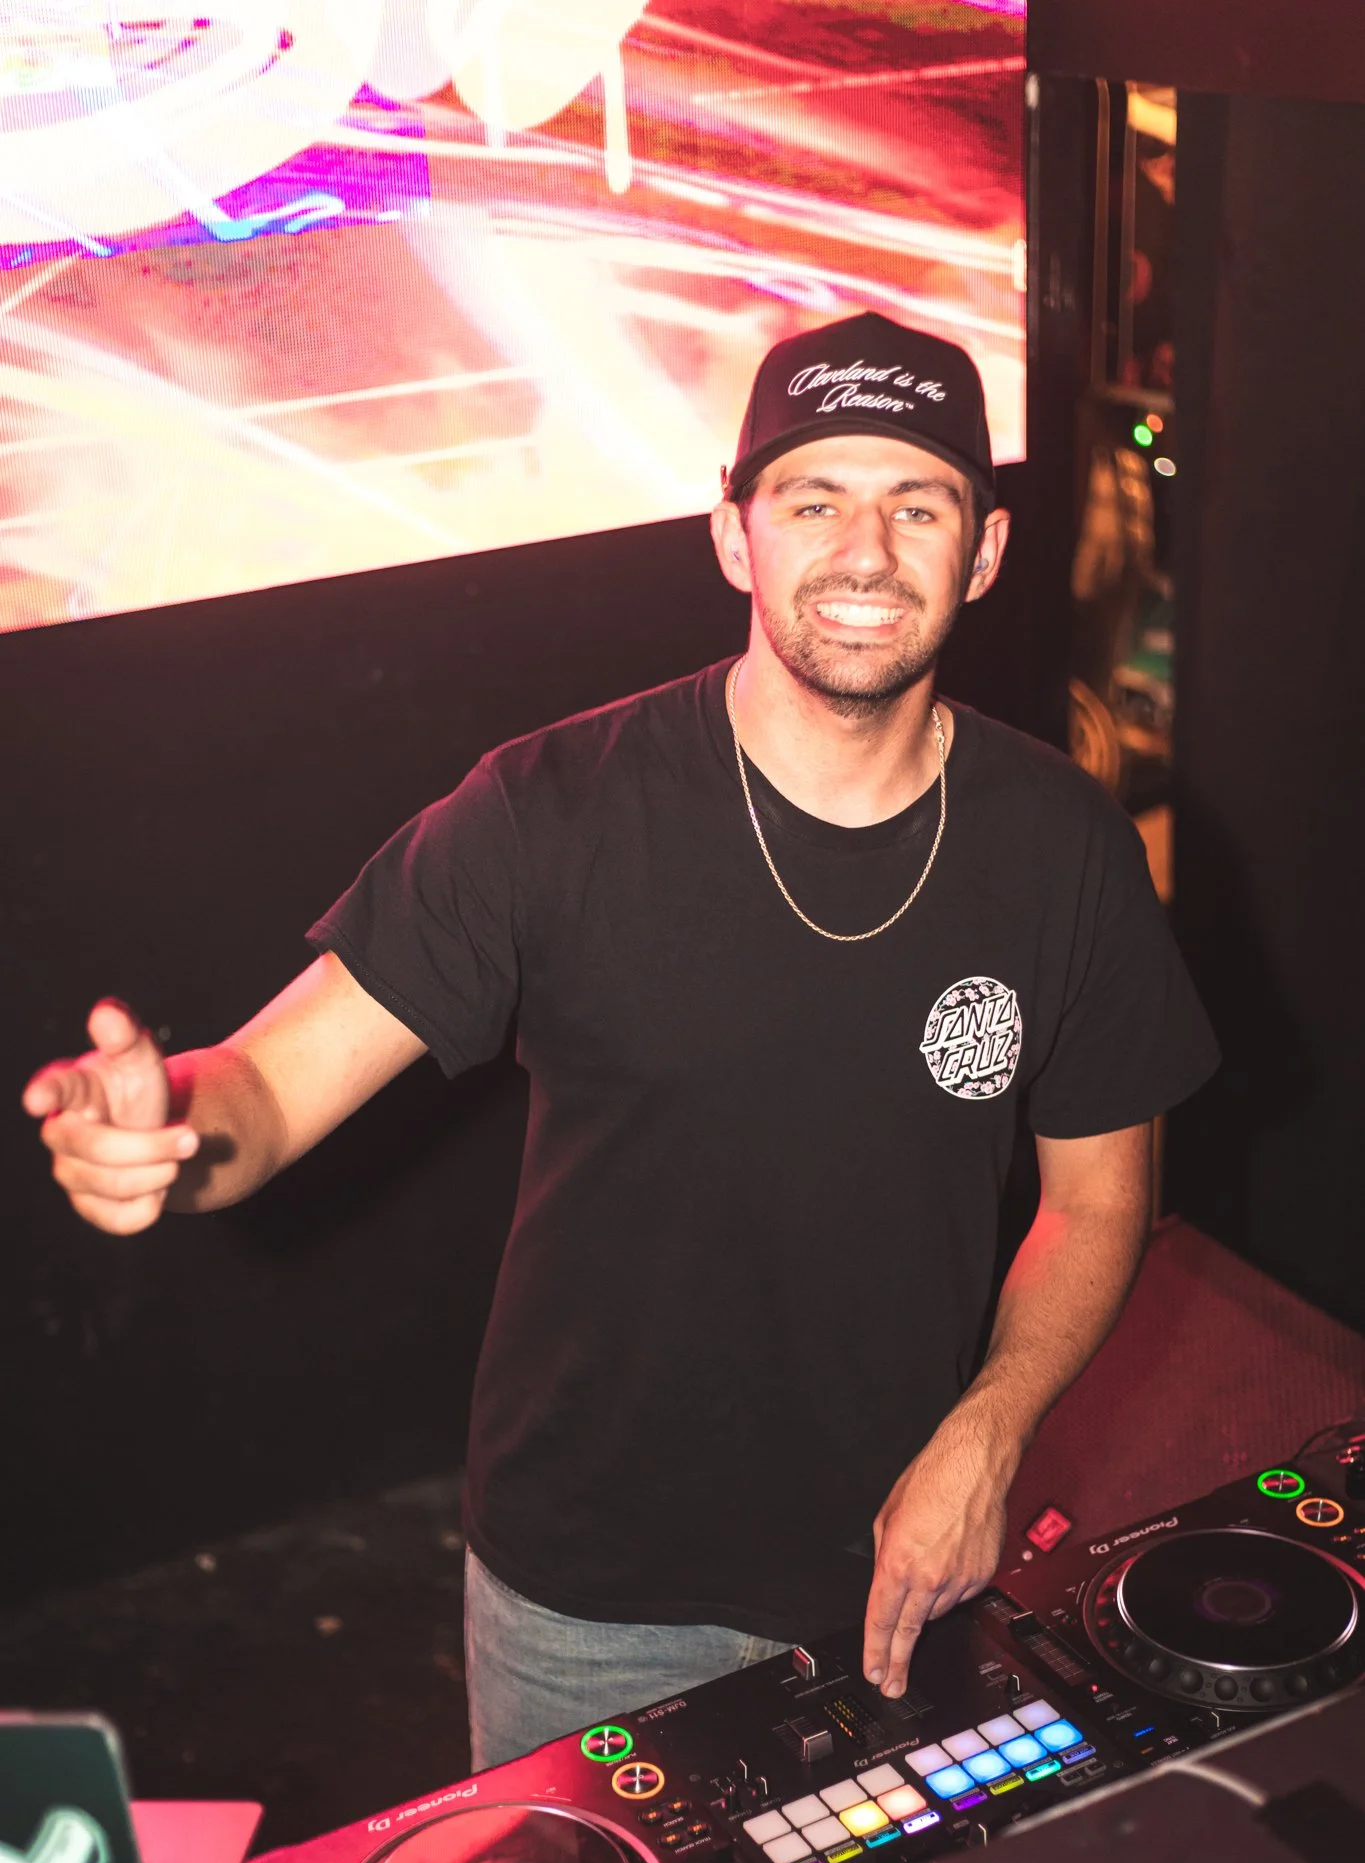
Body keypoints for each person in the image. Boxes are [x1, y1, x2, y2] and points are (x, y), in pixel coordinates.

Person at [22, 312, 1218, 1771]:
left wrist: (990, 1434)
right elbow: (265, 1089)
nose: (865, 551)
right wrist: (167, 1131)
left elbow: (1098, 1197)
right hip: (590, 1595)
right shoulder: (551, 812)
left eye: (918, 506)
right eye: (813, 501)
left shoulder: (1064, 846)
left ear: (984, 552)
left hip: (905, 1560)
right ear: (732, 537)